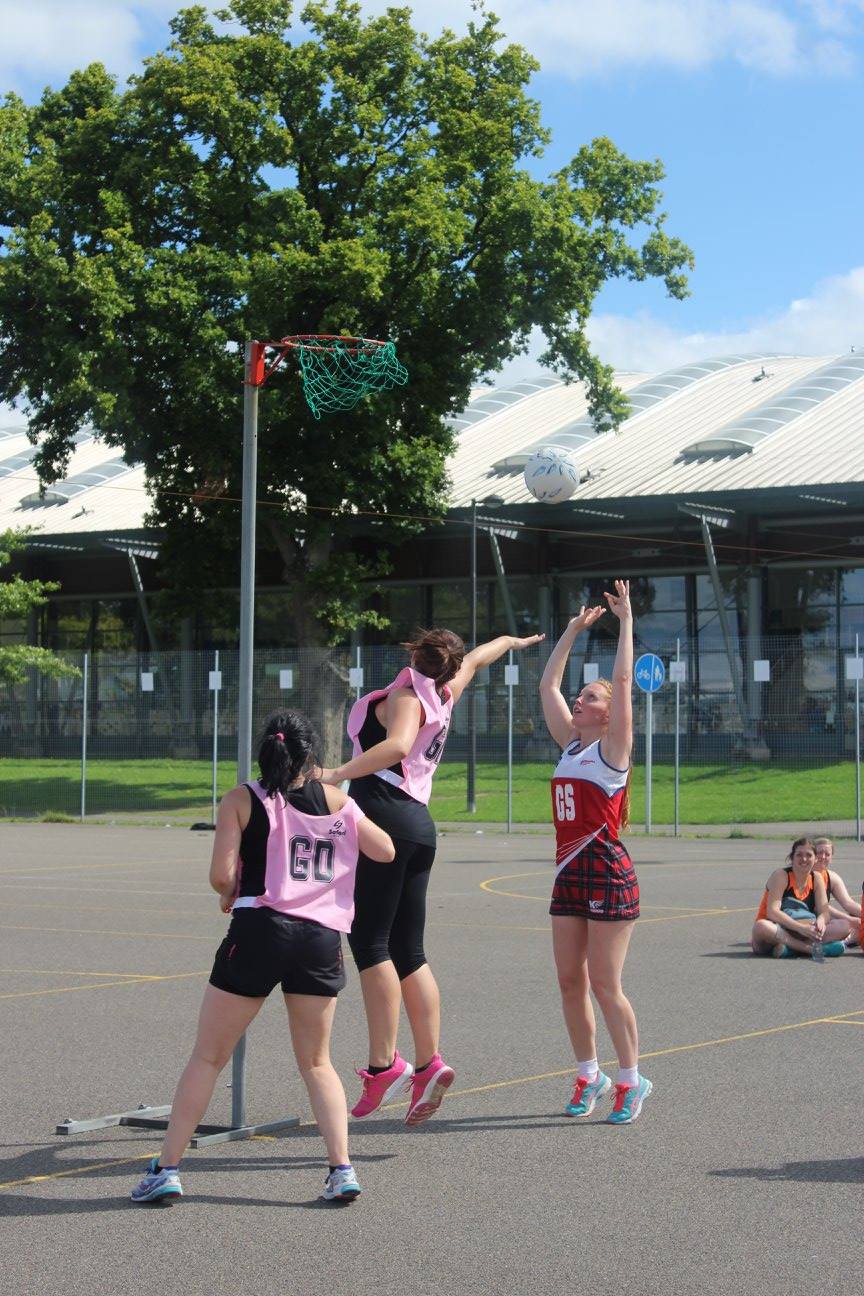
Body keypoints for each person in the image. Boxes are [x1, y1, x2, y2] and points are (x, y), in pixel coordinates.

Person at [130, 709, 395, 1206]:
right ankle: (341, 1168)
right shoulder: (337, 800)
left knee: (208, 1056)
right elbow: (385, 851)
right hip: (320, 939)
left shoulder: (242, 799)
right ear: (309, 755)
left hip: (260, 930)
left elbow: (220, 875)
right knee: (317, 1062)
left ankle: (166, 1169)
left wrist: (230, 890)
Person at [322, 626, 544, 1124]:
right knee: (409, 950)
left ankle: (384, 1064)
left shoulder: (406, 697)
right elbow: (479, 659)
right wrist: (510, 642)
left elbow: (398, 746)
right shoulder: (445, 692)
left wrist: (336, 774)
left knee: (370, 944)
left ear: (413, 653)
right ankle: (428, 1064)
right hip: (419, 825)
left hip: (384, 816)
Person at [539, 580, 651, 1126]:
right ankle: (590, 1073)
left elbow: (623, 682)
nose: (580, 700)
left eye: (591, 697)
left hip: (607, 872)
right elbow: (547, 684)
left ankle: (631, 1079)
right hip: (569, 873)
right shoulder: (571, 745)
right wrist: (570, 631)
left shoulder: (612, 750)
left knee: (606, 984)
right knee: (570, 981)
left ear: (608, 715)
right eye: (581, 696)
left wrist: (625, 621)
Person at [751, 836, 846, 958]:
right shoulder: (781, 875)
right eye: (799, 855)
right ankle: (812, 950)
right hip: (775, 932)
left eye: (809, 855)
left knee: (844, 926)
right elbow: (772, 912)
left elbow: (824, 912)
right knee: (761, 926)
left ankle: (790, 950)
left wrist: (821, 921)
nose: (804, 859)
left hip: (803, 931)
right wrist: (800, 928)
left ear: (815, 859)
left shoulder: (816, 878)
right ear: (792, 857)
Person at [813, 836, 860, 946]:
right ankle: (845, 942)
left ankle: (845, 941)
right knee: (846, 925)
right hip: (807, 919)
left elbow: (848, 903)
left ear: (831, 857)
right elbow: (820, 907)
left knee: (855, 921)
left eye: (827, 854)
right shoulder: (805, 875)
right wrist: (850, 919)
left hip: (823, 919)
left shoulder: (831, 877)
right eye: (819, 853)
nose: (823, 857)